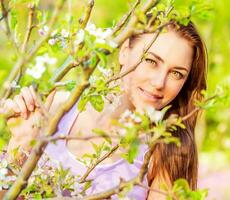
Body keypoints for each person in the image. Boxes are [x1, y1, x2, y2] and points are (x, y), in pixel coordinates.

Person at [1, 19, 207, 199]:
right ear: (124, 52)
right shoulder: (53, 110)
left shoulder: (167, 149)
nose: (159, 82)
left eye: (177, 74)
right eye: (151, 61)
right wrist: (21, 145)